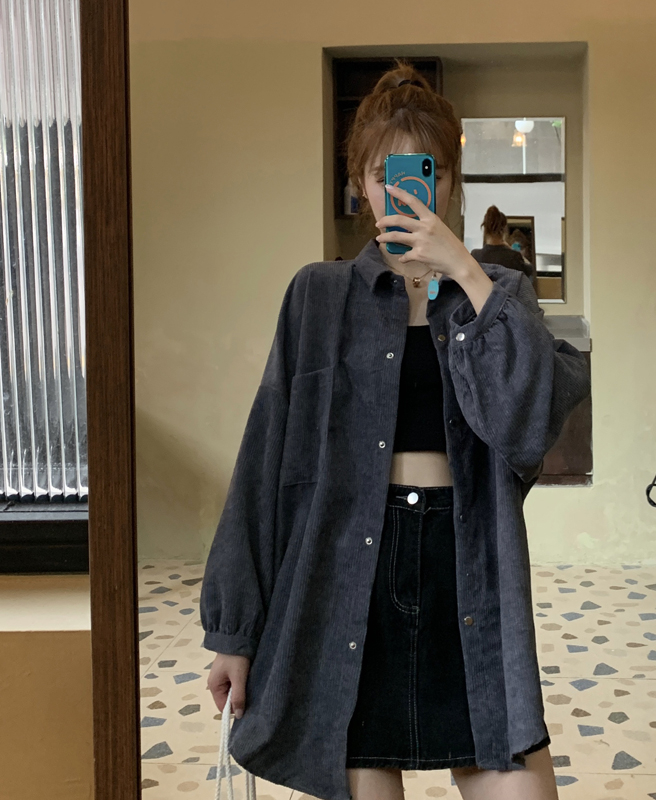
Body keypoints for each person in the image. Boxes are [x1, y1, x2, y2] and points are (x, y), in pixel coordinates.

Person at [200, 58, 590, 800]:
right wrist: (233, 634)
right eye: (386, 174)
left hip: (467, 570)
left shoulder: (499, 294)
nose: (406, 191)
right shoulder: (318, 297)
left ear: (452, 182)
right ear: (361, 183)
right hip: (350, 576)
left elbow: (527, 425)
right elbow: (265, 463)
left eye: (425, 172)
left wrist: (466, 272)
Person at [471, 206, 535, 283]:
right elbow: (530, 271)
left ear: (485, 229)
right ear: (504, 230)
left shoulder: (475, 255)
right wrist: (509, 248)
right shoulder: (513, 257)